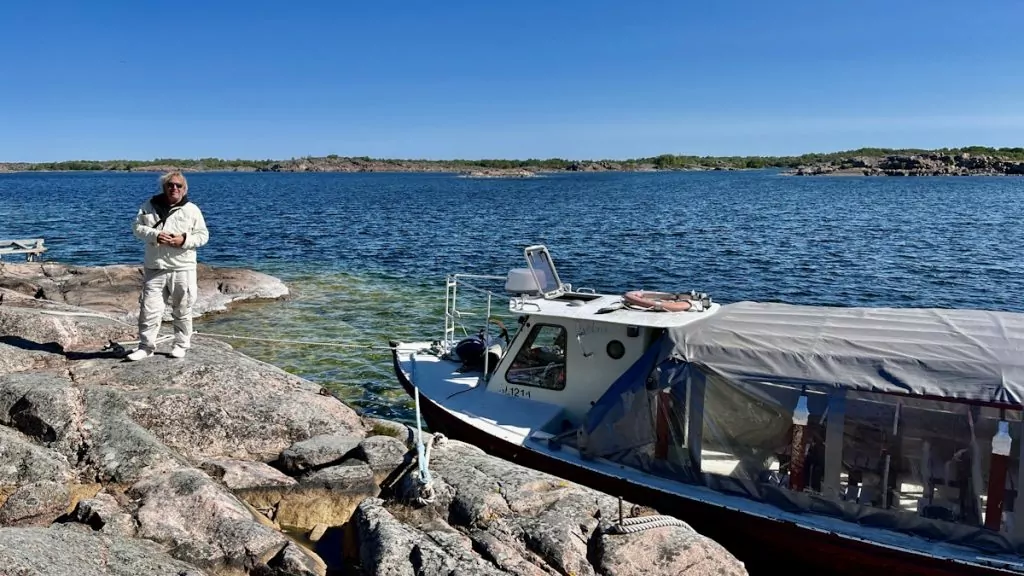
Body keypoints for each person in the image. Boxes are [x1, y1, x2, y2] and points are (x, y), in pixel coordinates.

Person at [126, 171, 209, 360]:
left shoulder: (192, 209)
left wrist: (184, 240)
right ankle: (146, 347)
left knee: (183, 308)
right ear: (164, 187)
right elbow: (137, 228)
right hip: (155, 267)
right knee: (149, 309)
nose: (174, 188)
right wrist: (155, 235)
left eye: (179, 185)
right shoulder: (149, 205)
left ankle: (181, 345)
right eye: (170, 185)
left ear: (184, 189)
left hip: (183, 268)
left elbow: (203, 236)